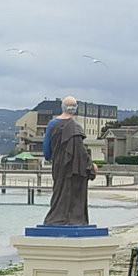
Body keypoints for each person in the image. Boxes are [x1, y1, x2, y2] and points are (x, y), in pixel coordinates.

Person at [42, 96, 97, 226]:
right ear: (75, 109)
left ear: (62, 107)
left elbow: (46, 151)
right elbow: (82, 151)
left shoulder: (52, 124)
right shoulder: (76, 128)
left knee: (59, 192)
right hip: (75, 168)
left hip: (59, 165)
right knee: (74, 193)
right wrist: (91, 165)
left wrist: (52, 158)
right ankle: (74, 219)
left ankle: (56, 218)